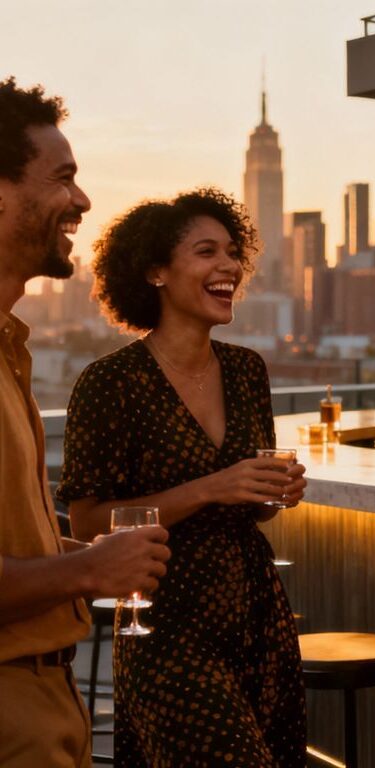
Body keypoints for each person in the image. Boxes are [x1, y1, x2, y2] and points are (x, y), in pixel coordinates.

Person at [57, 189, 308, 767]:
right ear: (155, 272)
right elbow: (92, 521)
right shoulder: (109, 381)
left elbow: (253, 507)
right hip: (163, 622)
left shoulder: (248, 370)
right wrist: (213, 487)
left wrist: (273, 492)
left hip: (256, 615)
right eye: (206, 252)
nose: (229, 267)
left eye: (231, 252)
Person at [0, 77, 170, 768]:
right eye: (63, 177)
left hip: (49, 698)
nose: (83, 200)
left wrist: (78, 560)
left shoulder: (12, 352)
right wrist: (92, 567)